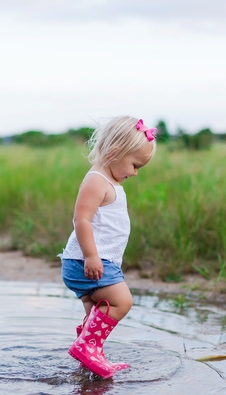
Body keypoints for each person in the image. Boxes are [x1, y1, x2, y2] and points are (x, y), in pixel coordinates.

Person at [60, 116, 157, 378]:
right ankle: (87, 347)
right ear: (114, 153)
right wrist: (91, 256)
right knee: (122, 302)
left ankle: (90, 356)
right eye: (135, 165)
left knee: (97, 312)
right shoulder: (96, 181)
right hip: (88, 260)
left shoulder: (108, 181)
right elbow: (81, 219)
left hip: (95, 261)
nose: (135, 173)